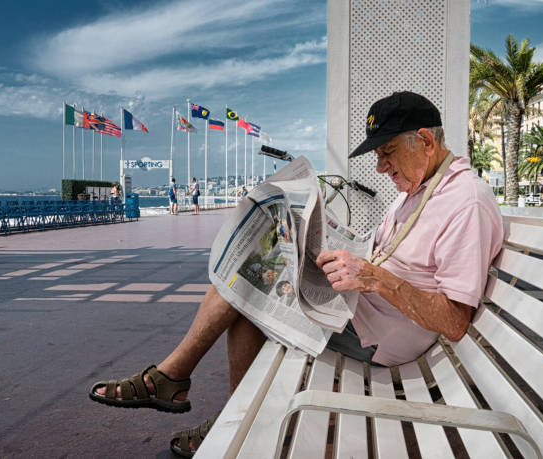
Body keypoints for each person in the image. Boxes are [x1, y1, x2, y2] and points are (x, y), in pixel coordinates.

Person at [88, 92, 503, 456]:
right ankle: (215, 406)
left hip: (386, 338)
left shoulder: (464, 203)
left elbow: (454, 320)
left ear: (426, 141)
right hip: (363, 310)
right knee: (253, 272)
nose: (381, 167)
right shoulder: (419, 189)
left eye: (387, 152)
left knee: (248, 286)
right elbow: (385, 255)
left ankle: (178, 383)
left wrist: (375, 278)